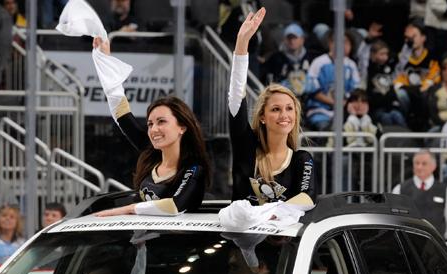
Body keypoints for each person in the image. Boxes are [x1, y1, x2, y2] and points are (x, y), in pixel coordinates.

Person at [91, 36, 211, 216]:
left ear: (182, 127)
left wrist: (125, 210)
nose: (154, 129)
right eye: (150, 124)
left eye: (162, 122)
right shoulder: (150, 153)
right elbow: (120, 111)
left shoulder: (194, 169)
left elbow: (174, 206)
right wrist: (105, 60)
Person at [229, 8, 316, 206]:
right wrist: (242, 43)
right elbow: (236, 97)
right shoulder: (246, 147)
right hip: (241, 227)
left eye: (289, 108)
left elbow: (306, 198)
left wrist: (266, 214)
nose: (284, 115)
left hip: (282, 228)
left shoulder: (301, 160)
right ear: (262, 116)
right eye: (276, 109)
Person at [390, 150, 447, 238]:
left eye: (424, 163)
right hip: (407, 242)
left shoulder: (446, 191)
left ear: (434, 166)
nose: (419, 167)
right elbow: (394, 217)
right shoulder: (399, 189)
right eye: (417, 163)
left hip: (435, 243)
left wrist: (439, 239)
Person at [305, 31, 361, 131]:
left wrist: (345, 104)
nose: (344, 46)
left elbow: (356, 90)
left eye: (347, 43)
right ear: (331, 43)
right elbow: (313, 90)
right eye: (340, 42)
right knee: (326, 129)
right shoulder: (319, 62)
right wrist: (335, 103)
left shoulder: (351, 65)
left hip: (345, 111)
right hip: (320, 111)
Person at [395, 19, 441, 131]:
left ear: (423, 38)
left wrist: (420, 87)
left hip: (424, 93)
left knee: (428, 93)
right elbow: (397, 81)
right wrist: (410, 88)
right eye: (407, 37)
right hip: (408, 93)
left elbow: (433, 78)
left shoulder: (432, 56)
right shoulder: (401, 58)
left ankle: (428, 124)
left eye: (414, 36)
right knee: (400, 94)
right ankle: (404, 126)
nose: (410, 40)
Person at [261, 23, 313, 102]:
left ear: (302, 39)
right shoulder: (275, 59)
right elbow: (267, 80)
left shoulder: (311, 57)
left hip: (308, 101)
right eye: (289, 38)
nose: (292, 41)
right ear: (284, 40)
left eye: (295, 38)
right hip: (283, 99)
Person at [366, 40, 406, 127]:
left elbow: (391, 88)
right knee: (386, 118)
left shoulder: (387, 69)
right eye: (381, 54)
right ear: (373, 54)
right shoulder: (368, 69)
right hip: (375, 109)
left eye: (386, 54)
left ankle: (405, 135)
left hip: (389, 107)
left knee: (397, 116)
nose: (385, 57)